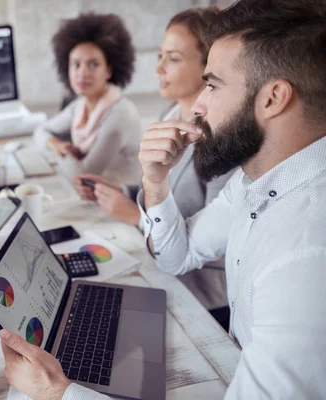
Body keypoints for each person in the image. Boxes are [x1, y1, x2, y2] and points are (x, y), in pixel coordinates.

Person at [0, 0, 326, 398]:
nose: (200, 105)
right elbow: (176, 256)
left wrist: (59, 392)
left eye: (215, 85)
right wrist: (156, 184)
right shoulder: (254, 181)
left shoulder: (304, 259)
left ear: (273, 98)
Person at [74, 7, 233, 314]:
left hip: (201, 294)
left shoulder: (225, 141)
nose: (159, 69)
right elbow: (165, 186)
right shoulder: (171, 115)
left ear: (210, 65)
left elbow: (221, 246)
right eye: (160, 56)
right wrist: (121, 190)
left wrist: (136, 216)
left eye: (172, 59)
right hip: (162, 267)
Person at [33, 13, 143, 185]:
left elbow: (84, 175)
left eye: (93, 64)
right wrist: (56, 145)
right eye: (76, 64)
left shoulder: (120, 116)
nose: (82, 73)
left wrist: (55, 156)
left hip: (125, 202)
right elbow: (40, 131)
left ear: (109, 70)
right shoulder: (80, 105)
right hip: (96, 196)